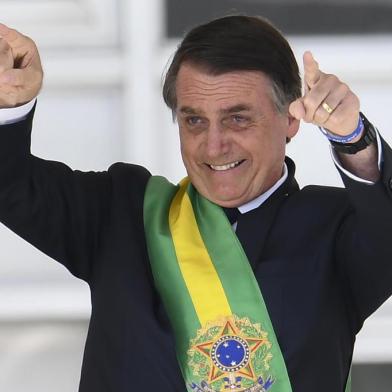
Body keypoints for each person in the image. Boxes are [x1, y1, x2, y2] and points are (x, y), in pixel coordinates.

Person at [0, 15, 391, 392]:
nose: (214, 145)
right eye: (194, 121)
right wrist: (10, 103)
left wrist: (352, 139)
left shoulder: (338, 229)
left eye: (237, 119)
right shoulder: (122, 214)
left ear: (290, 120)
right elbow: (10, 186)